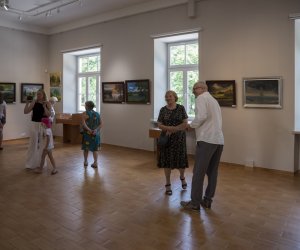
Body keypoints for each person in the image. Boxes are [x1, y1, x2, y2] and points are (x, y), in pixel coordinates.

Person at [181, 81, 224, 211]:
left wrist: (190, 126)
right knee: (212, 172)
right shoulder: (214, 100)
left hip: (206, 140)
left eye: (195, 89)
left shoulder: (201, 98)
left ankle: (194, 203)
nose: (194, 91)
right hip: (218, 140)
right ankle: (207, 200)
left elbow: (201, 116)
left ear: (202, 88)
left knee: (198, 173)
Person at [157, 90, 189, 195]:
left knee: (181, 160)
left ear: (175, 97)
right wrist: (168, 128)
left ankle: (182, 177)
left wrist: (174, 129)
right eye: (166, 96)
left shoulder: (181, 108)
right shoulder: (163, 110)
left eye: (170, 96)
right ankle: (168, 183)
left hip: (179, 139)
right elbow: (159, 124)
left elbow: (185, 123)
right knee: (166, 161)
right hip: (167, 139)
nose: (168, 98)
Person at [24, 89, 51, 170]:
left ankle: (41, 163)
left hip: (43, 124)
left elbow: (48, 115)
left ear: (43, 95)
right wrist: (27, 103)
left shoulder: (47, 103)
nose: (38, 96)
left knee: (42, 145)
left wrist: (44, 106)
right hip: (34, 124)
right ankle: (30, 164)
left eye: (40, 94)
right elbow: (26, 112)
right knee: (33, 143)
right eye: (37, 94)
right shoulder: (34, 102)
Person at [81, 101, 102, 168]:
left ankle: (85, 161)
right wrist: (96, 130)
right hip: (96, 134)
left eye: (85, 105)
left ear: (87, 106)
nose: (85, 106)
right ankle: (95, 162)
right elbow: (101, 124)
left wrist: (89, 130)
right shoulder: (97, 114)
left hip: (87, 134)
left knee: (86, 148)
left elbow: (83, 124)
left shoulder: (85, 113)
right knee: (95, 149)